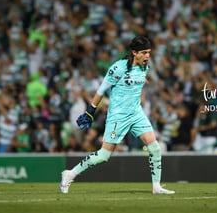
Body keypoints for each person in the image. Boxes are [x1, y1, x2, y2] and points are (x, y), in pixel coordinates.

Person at [60, 36, 175, 194]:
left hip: (136, 113)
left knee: (154, 146)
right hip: (118, 116)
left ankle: (156, 187)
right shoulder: (118, 68)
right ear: (134, 52)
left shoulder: (144, 66)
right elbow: (101, 90)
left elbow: (138, 80)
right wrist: (90, 111)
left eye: (149, 52)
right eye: (144, 52)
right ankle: (70, 174)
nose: (148, 56)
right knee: (104, 155)